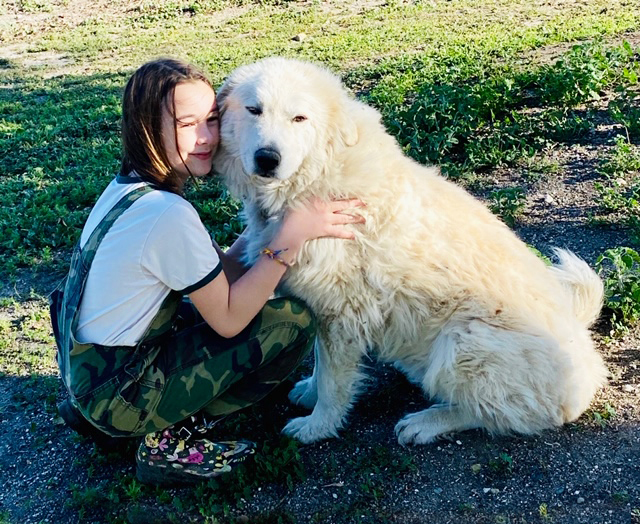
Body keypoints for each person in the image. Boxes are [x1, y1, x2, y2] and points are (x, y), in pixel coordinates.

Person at [50, 58, 364, 487]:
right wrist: (289, 240)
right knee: (291, 322)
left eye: (212, 119)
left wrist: (266, 232)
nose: (205, 139)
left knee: (210, 305)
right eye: (186, 125)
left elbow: (215, 274)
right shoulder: (167, 215)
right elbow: (230, 316)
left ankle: (103, 415)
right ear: (147, 128)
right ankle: (169, 438)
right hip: (120, 393)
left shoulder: (128, 191)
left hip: (89, 376)